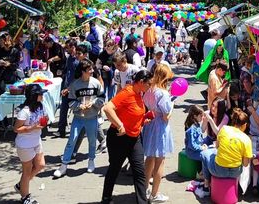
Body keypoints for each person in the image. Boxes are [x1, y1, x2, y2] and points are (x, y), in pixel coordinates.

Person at [101, 69, 153, 204]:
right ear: (141, 82)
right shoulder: (127, 92)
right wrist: (119, 125)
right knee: (115, 168)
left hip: (135, 138)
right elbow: (107, 108)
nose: (150, 86)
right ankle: (106, 198)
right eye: (149, 84)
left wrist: (142, 120)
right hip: (119, 138)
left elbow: (131, 113)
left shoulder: (139, 93)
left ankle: (142, 201)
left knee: (139, 171)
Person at [53, 59, 105, 178]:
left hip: (92, 117)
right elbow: (71, 101)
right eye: (89, 70)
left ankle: (91, 160)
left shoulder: (96, 83)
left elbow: (102, 98)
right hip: (78, 118)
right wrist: (79, 106)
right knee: (72, 140)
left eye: (92, 69)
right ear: (83, 71)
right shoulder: (75, 85)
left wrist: (94, 103)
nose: (92, 71)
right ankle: (64, 165)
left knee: (92, 141)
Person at [196, 108, 253, 199]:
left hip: (219, 170)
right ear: (245, 125)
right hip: (236, 172)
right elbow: (246, 164)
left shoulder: (224, 129)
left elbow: (217, 147)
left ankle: (206, 186)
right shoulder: (247, 139)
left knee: (204, 154)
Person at [143, 64, 175, 203]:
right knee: (160, 162)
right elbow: (166, 116)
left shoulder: (149, 89)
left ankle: (143, 190)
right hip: (160, 126)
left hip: (149, 124)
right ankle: (154, 194)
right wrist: (172, 105)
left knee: (149, 159)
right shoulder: (163, 93)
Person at [13, 84, 47, 204]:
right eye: (40, 94)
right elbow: (16, 129)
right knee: (27, 171)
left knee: (40, 165)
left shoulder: (41, 106)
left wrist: (45, 120)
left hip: (36, 140)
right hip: (25, 144)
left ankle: (21, 185)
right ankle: (25, 197)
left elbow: (44, 117)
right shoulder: (24, 111)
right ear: (34, 96)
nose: (43, 95)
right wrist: (32, 127)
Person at [53, 39, 78, 138]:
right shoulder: (69, 58)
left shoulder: (77, 60)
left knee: (77, 110)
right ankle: (61, 130)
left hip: (74, 90)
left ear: (73, 47)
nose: (66, 49)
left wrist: (69, 88)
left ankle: (79, 131)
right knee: (63, 109)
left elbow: (77, 77)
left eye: (67, 47)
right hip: (66, 88)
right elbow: (68, 72)